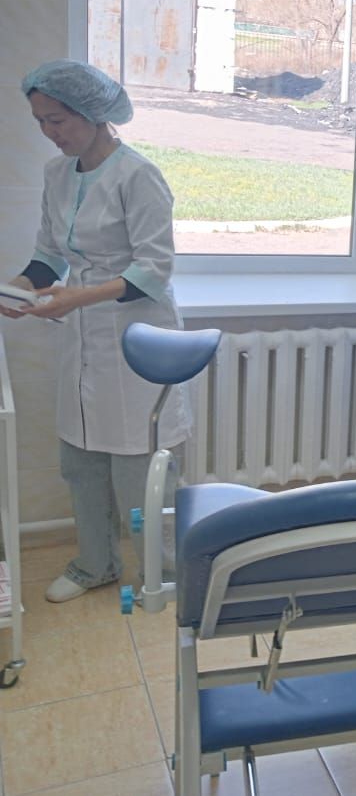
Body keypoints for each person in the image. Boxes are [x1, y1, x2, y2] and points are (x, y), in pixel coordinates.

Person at [2, 59, 190, 603]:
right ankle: (95, 564)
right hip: (82, 336)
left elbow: (153, 270)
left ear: (91, 113)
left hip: (138, 337)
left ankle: (164, 573)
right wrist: (18, 288)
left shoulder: (138, 176)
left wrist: (74, 298)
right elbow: (47, 256)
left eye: (57, 120)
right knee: (80, 461)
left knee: (139, 469)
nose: (49, 132)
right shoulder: (57, 175)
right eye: (40, 121)